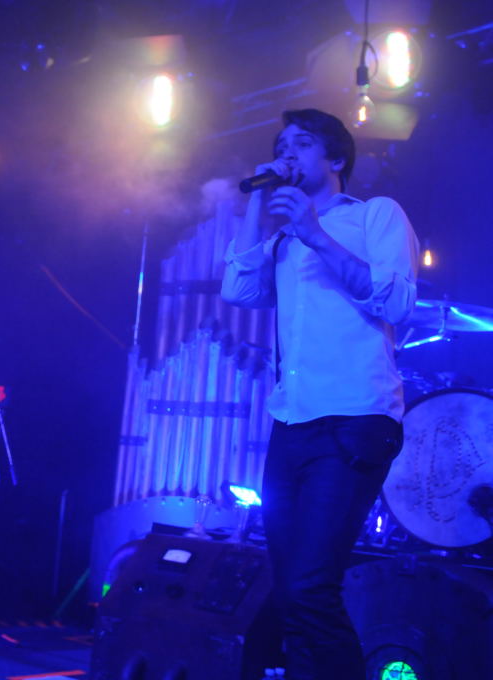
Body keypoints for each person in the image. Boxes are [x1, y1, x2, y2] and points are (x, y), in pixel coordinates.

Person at [221, 109, 419, 680]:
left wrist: (314, 232)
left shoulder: (375, 215)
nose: (287, 152)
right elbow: (236, 289)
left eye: (302, 143)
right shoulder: (282, 240)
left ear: (335, 158)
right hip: (292, 424)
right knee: (290, 592)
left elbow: (397, 303)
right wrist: (258, 202)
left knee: (310, 587)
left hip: (354, 420)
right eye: (281, 145)